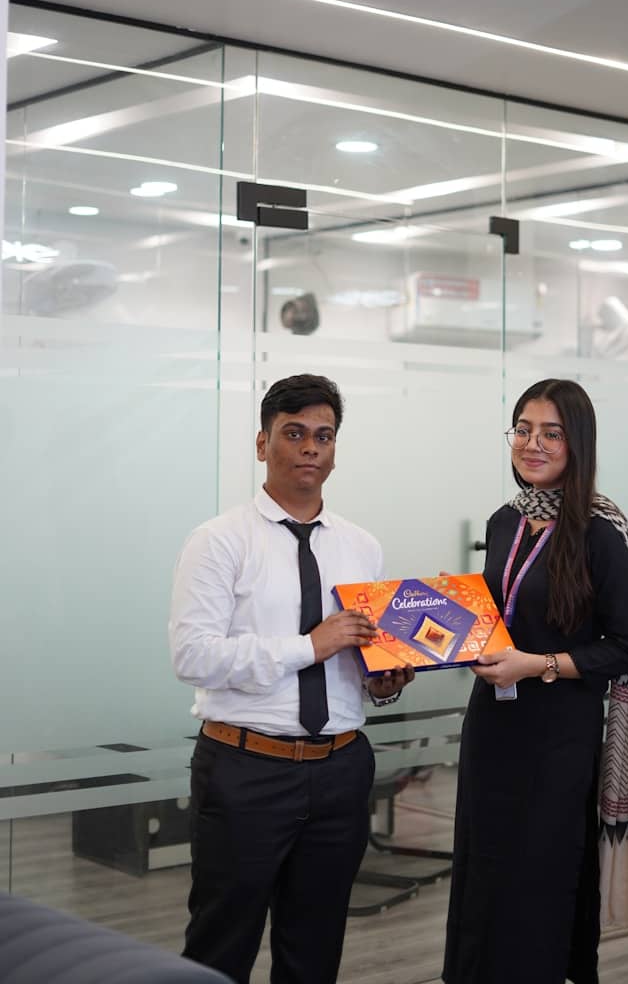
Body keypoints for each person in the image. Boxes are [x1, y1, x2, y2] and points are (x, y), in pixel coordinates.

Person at [169, 373, 413, 984]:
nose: (310, 448)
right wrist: (309, 645)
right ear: (262, 444)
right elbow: (193, 656)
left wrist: (382, 682)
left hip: (340, 769)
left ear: (334, 450)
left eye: (323, 436)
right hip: (246, 770)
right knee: (221, 944)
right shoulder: (218, 541)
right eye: (294, 433)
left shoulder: (362, 547)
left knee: (316, 946)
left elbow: (356, 662)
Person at [443, 378, 628, 984]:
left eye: (551, 433)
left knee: (540, 874)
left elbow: (625, 647)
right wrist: (452, 624)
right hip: (492, 724)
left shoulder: (601, 531)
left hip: (559, 736)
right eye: (523, 430)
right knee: (482, 866)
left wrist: (537, 664)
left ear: (578, 444)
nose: (533, 444)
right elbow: (500, 617)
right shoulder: (505, 521)